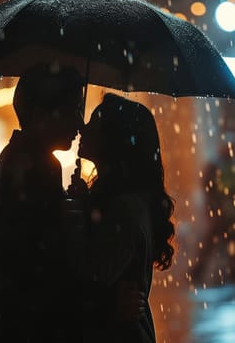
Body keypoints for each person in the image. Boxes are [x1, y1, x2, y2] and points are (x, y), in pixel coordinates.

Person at [0, 64, 141, 342]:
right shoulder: (37, 169)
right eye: (73, 109)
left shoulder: (17, 160)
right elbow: (45, 276)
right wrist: (107, 306)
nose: (80, 124)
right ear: (42, 114)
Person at [65, 93, 176, 342]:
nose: (83, 127)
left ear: (113, 139)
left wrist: (74, 216)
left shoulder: (126, 208)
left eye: (95, 121)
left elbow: (94, 271)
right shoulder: (117, 200)